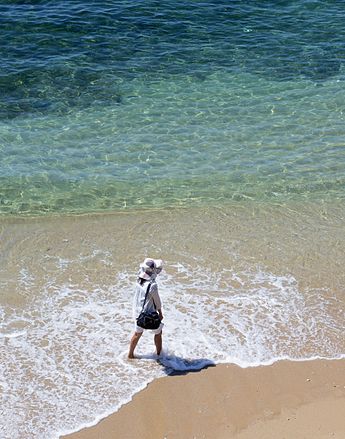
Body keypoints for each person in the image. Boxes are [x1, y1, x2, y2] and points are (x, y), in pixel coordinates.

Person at [128, 258, 164, 359]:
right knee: (158, 333)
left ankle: (130, 354)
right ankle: (159, 355)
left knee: (137, 333)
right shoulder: (152, 285)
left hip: (137, 311)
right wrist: (160, 313)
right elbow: (157, 301)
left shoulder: (139, 280)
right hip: (149, 314)